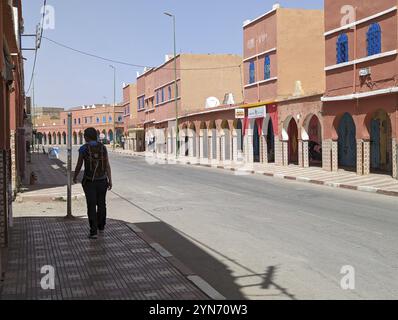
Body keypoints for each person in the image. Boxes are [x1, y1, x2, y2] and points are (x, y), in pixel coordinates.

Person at [73, 128, 113, 239]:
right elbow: (107, 165)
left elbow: (79, 165)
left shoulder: (83, 149)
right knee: (101, 204)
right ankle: (101, 226)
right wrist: (110, 179)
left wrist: (75, 176)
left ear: (86, 137)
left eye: (84, 135)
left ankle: (93, 231)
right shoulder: (103, 147)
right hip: (103, 180)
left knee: (91, 205)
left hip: (89, 181)